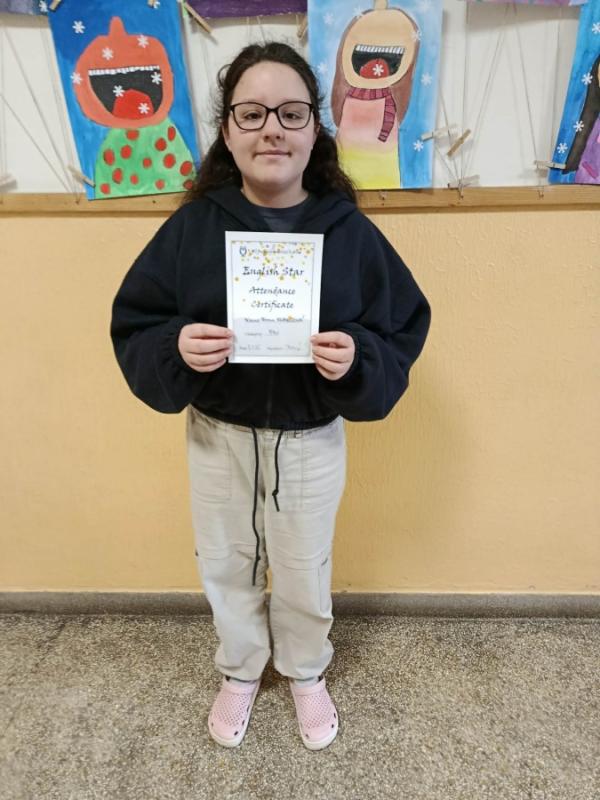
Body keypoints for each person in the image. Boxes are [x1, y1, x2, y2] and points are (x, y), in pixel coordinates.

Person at [110, 41, 431, 751]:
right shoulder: (194, 227)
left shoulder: (349, 233)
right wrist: (174, 348)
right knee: (224, 559)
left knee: (304, 566)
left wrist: (358, 357)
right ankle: (241, 667)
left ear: (315, 128)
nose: (272, 130)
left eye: (291, 113)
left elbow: (402, 327)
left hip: (308, 439)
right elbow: (136, 320)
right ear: (227, 132)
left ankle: (306, 669)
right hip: (216, 435)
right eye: (251, 114)